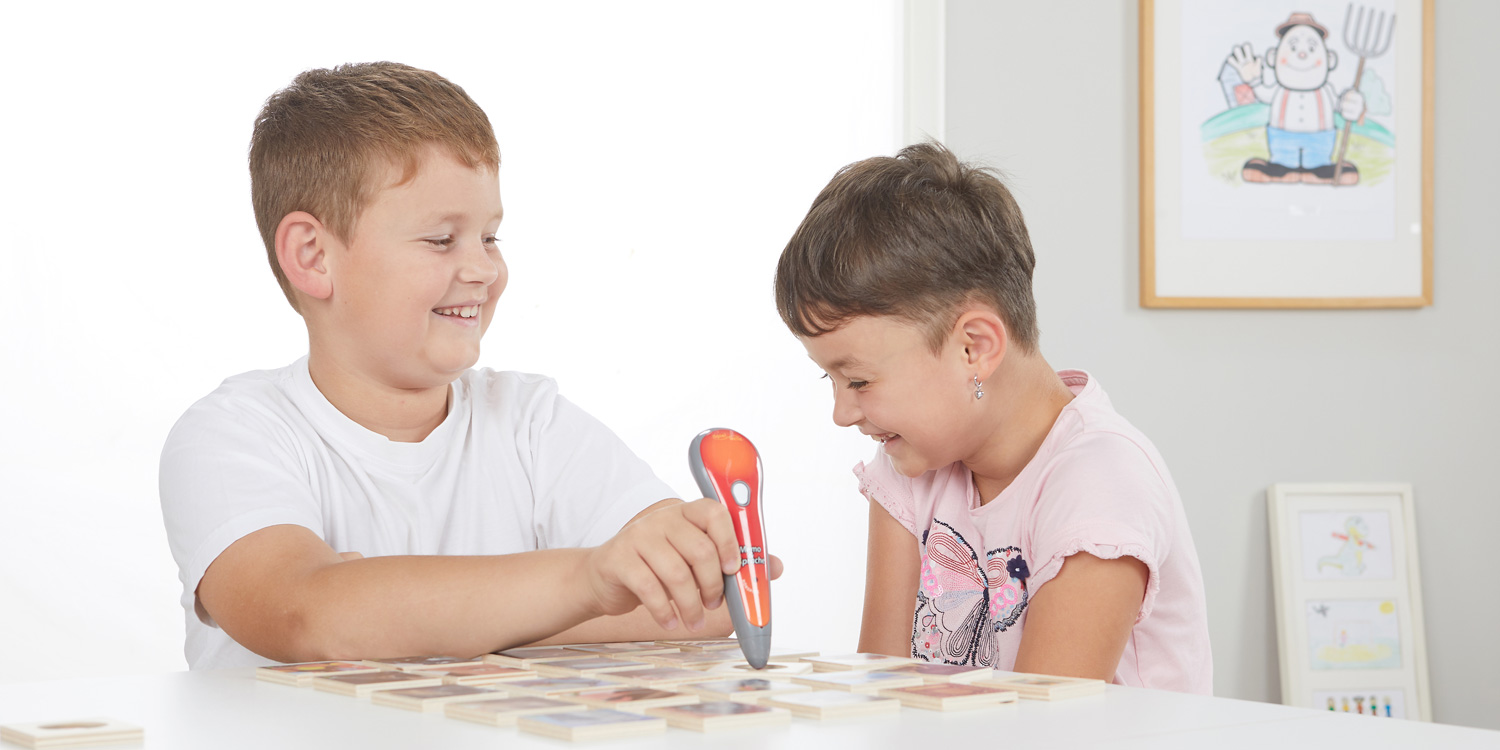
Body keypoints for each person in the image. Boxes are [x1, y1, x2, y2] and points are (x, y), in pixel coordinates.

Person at [159, 62, 776, 670]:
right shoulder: (231, 436)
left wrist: (396, 615)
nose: (483, 269)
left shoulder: (530, 422)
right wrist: (585, 581)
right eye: (441, 239)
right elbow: (302, 615)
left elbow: (712, 601)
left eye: (490, 237)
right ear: (314, 255)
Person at [773, 143, 1211, 693]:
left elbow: (1043, 729)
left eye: (858, 380)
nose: (841, 413)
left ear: (974, 347)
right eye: (829, 380)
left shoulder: (1101, 483)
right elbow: (880, 694)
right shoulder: (909, 469)